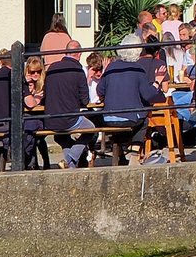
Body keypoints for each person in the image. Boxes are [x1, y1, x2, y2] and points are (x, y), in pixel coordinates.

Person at [97, 35, 167, 163]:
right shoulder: (137, 68)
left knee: (116, 125)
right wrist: (157, 81)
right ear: (138, 52)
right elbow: (148, 95)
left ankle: (121, 156)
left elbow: (99, 91)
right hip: (130, 118)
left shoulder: (111, 67)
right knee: (143, 121)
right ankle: (134, 155)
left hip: (108, 117)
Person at [43, 43, 96, 168]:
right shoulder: (78, 70)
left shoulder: (52, 68)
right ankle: (70, 158)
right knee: (91, 129)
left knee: (60, 137)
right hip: (69, 118)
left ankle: (70, 165)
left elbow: (46, 92)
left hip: (51, 119)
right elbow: (85, 101)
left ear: (66, 52)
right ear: (79, 54)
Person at [21, 55, 51, 169]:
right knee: (31, 131)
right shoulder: (25, 83)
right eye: (32, 72)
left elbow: (33, 103)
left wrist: (32, 95)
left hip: (42, 117)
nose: (35, 75)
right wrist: (25, 85)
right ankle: (33, 163)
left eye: (38, 72)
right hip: (29, 117)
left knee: (34, 133)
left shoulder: (44, 84)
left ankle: (36, 162)